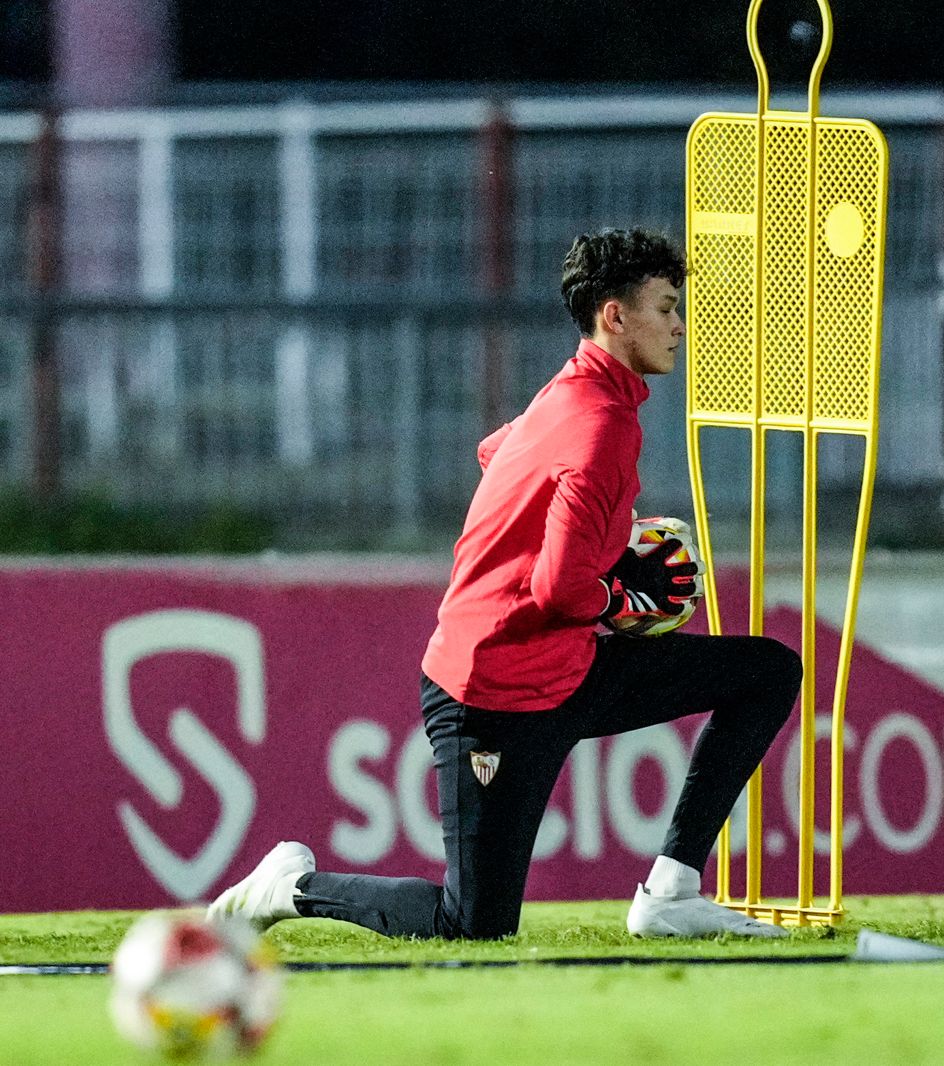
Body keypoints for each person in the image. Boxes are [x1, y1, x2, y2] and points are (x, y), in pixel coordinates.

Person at [210, 228, 801, 940]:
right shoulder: (599, 424)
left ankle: (671, 892)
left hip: (567, 668)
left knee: (766, 671)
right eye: (667, 306)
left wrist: (607, 538)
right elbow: (558, 591)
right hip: (491, 696)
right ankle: (290, 886)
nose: (680, 325)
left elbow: (497, 453)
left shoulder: (574, 390)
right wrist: (619, 592)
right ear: (615, 316)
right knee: (472, 925)